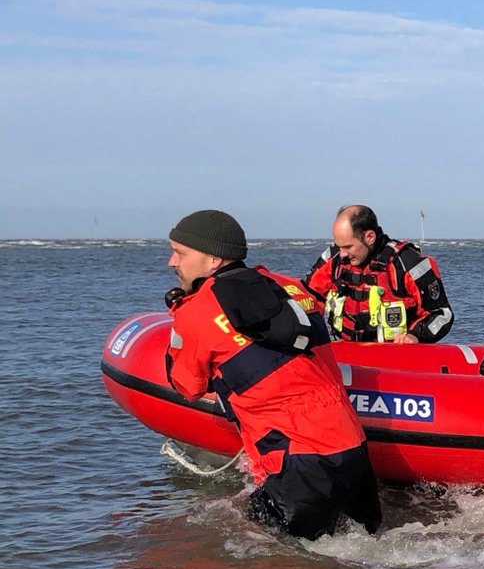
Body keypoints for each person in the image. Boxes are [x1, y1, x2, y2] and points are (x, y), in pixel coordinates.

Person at [164, 209, 381, 539]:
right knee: (363, 551)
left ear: (213, 260)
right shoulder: (288, 285)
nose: (172, 262)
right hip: (352, 449)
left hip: (300, 461)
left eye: (180, 253)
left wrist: (179, 315)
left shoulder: (197, 312)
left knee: (268, 558)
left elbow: (187, 385)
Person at [304, 204, 453, 344]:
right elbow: (307, 297)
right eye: (339, 245)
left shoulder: (407, 263)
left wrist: (414, 336)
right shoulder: (334, 259)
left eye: (348, 246)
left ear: (369, 237)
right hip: (343, 351)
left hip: (392, 356)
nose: (342, 254)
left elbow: (442, 314)